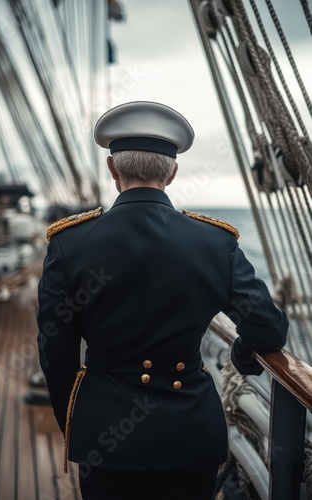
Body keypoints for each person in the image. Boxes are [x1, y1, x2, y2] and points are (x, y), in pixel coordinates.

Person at [36, 101, 288, 500]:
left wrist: (80, 421)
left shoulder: (69, 244)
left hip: (104, 434)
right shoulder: (214, 243)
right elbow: (268, 328)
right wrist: (241, 355)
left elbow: (54, 350)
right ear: (172, 172)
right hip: (189, 434)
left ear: (113, 170)